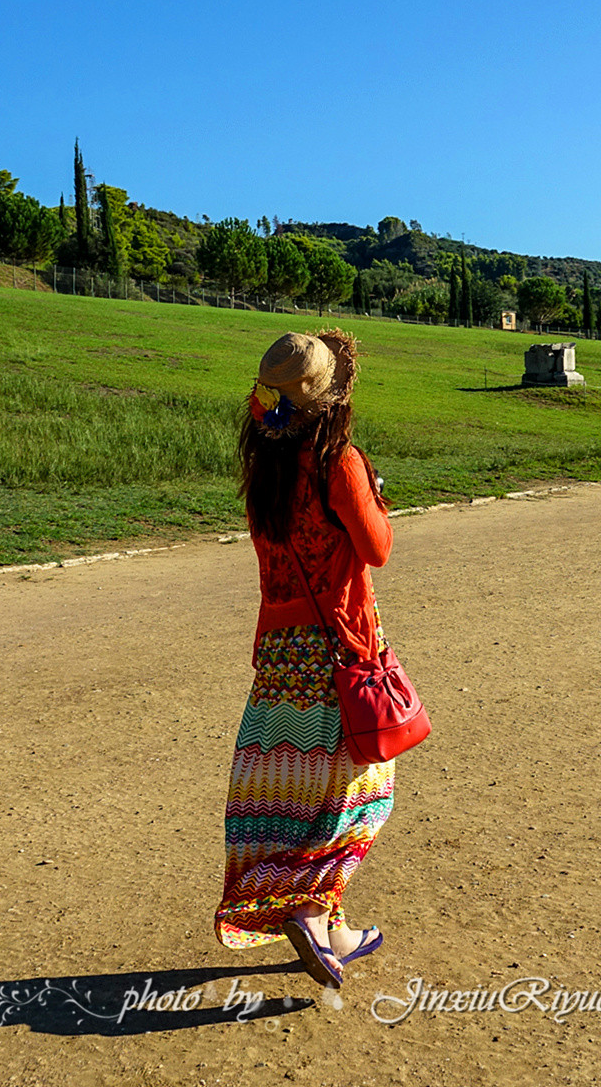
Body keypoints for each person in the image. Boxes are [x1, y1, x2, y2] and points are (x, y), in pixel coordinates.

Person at [216, 330, 395, 989]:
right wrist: (374, 492)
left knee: (297, 797)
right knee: (364, 795)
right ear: (330, 397)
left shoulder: (264, 471)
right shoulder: (338, 462)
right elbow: (376, 548)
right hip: (339, 651)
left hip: (280, 656)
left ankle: (327, 922)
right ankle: (310, 908)